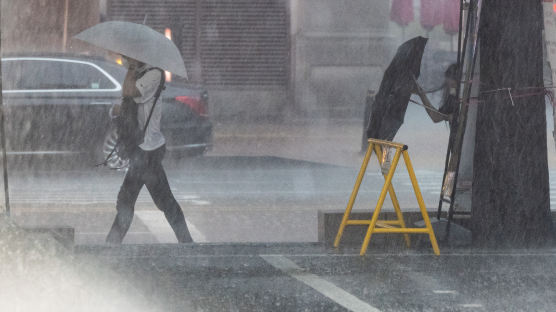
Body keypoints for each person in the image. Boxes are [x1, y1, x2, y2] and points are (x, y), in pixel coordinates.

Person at [106, 55, 193, 244]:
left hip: (148, 150)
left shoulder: (154, 74)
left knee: (134, 201)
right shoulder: (139, 73)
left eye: (128, 56)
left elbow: (129, 91)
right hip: (141, 150)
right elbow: (129, 102)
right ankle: (186, 241)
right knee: (158, 201)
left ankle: (111, 245)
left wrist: (130, 70)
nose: (124, 58)